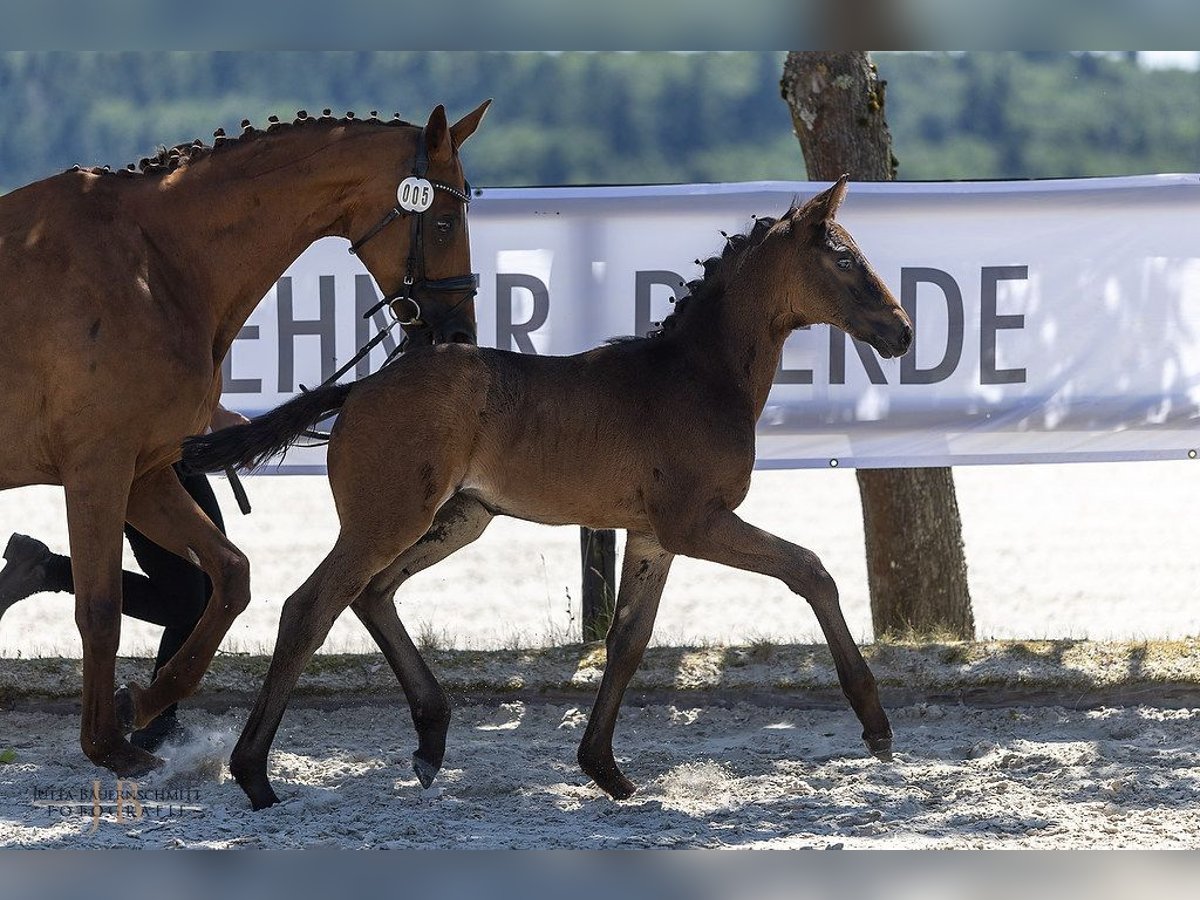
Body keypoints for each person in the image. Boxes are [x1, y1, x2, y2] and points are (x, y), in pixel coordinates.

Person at [0, 403, 249, 751]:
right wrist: (215, 414)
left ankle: (159, 719)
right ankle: (45, 569)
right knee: (187, 602)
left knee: (210, 587)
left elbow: (172, 357)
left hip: (170, 447)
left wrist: (213, 412)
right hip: (141, 455)